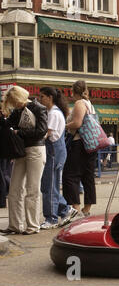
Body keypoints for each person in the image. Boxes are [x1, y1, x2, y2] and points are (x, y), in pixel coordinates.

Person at [0, 86, 47, 235]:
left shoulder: (39, 108)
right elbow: (7, 126)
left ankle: (32, 226)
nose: (15, 105)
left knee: (32, 189)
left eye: (15, 102)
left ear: (21, 97)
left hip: (35, 150)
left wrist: (19, 132)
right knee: (14, 190)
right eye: (13, 103)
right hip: (21, 151)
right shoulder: (18, 111)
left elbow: (41, 131)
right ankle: (15, 225)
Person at [38, 87, 78, 229]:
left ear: (50, 97)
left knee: (49, 185)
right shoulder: (52, 112)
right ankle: (66, 210)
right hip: (54, 151)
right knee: (48, 185)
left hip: (54, 151)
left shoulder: (54, 113)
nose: (40, 99)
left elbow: (45, 134)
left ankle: (51, 218)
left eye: (42, 96)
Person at [63, 80, 97, 217]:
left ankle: (75, 208)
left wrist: (64, 126)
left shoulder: (79, 103)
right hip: (91, 144)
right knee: (88, 176)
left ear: (73, 91)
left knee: (70, 175)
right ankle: (86, 209)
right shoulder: (90, 104)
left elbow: (77, 123)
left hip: (79, 143)